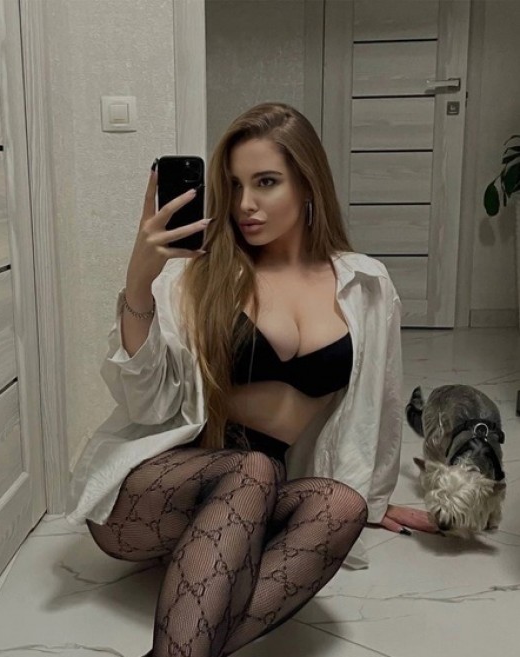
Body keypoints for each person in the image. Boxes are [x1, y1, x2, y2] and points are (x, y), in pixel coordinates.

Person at [65, 102, 438, 657]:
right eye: (235, 185)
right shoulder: (194, 278)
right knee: (252, 467)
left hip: (258, 508)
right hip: (154, 496)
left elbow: (378, 405)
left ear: (308, 183)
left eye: (266, 182)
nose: (244, 204)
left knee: (343, 505)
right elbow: (147, 406)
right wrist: (139, 283)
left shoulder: (366, 284)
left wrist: (378, 500)